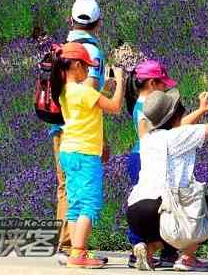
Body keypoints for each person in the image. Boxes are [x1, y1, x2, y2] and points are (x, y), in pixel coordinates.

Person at [127, 88, 208, 271]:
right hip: (161, 209)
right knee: (207, 206)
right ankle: (187, 258)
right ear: (175, 115)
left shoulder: (147, 138)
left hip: (135, 212)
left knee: (166, 228)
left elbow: (179, 127)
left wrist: (202, 109)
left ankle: (147, 251)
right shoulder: (176, 137)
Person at [51, 42, 125, 269]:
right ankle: (79, 253)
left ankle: (76, 251)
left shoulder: (64, 91)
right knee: (89, 205)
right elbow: (115, 107)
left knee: (75, 204)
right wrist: (120, 81)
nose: (89, 70)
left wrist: (106, 87)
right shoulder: (83, 91)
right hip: (85, 154)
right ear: (75, 65)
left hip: (68, 152)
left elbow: (91, 104)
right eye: (86, 66)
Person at [52, 0, 108, 263]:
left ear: (70, 19)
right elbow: (94, 100)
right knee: (86, 198)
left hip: (60, 126)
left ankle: (70, 248)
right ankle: (74, 249)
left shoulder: (63, 50)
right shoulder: (90, 53)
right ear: (98, 23)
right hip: (83, 135)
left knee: (66, 187)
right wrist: (103, 140)